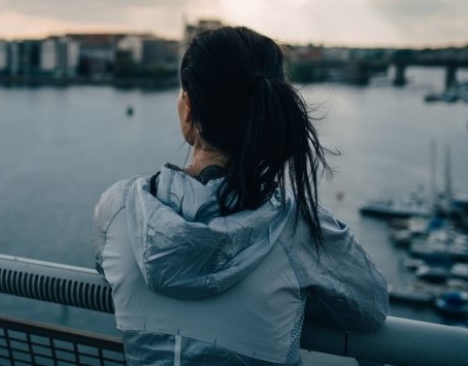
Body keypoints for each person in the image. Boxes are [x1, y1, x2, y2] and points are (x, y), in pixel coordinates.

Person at [92, 26, 388, 365]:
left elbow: (107, 269)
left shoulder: (117, 209)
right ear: (269, 109)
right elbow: (370, 310)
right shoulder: (300, 229)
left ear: (188, 108)